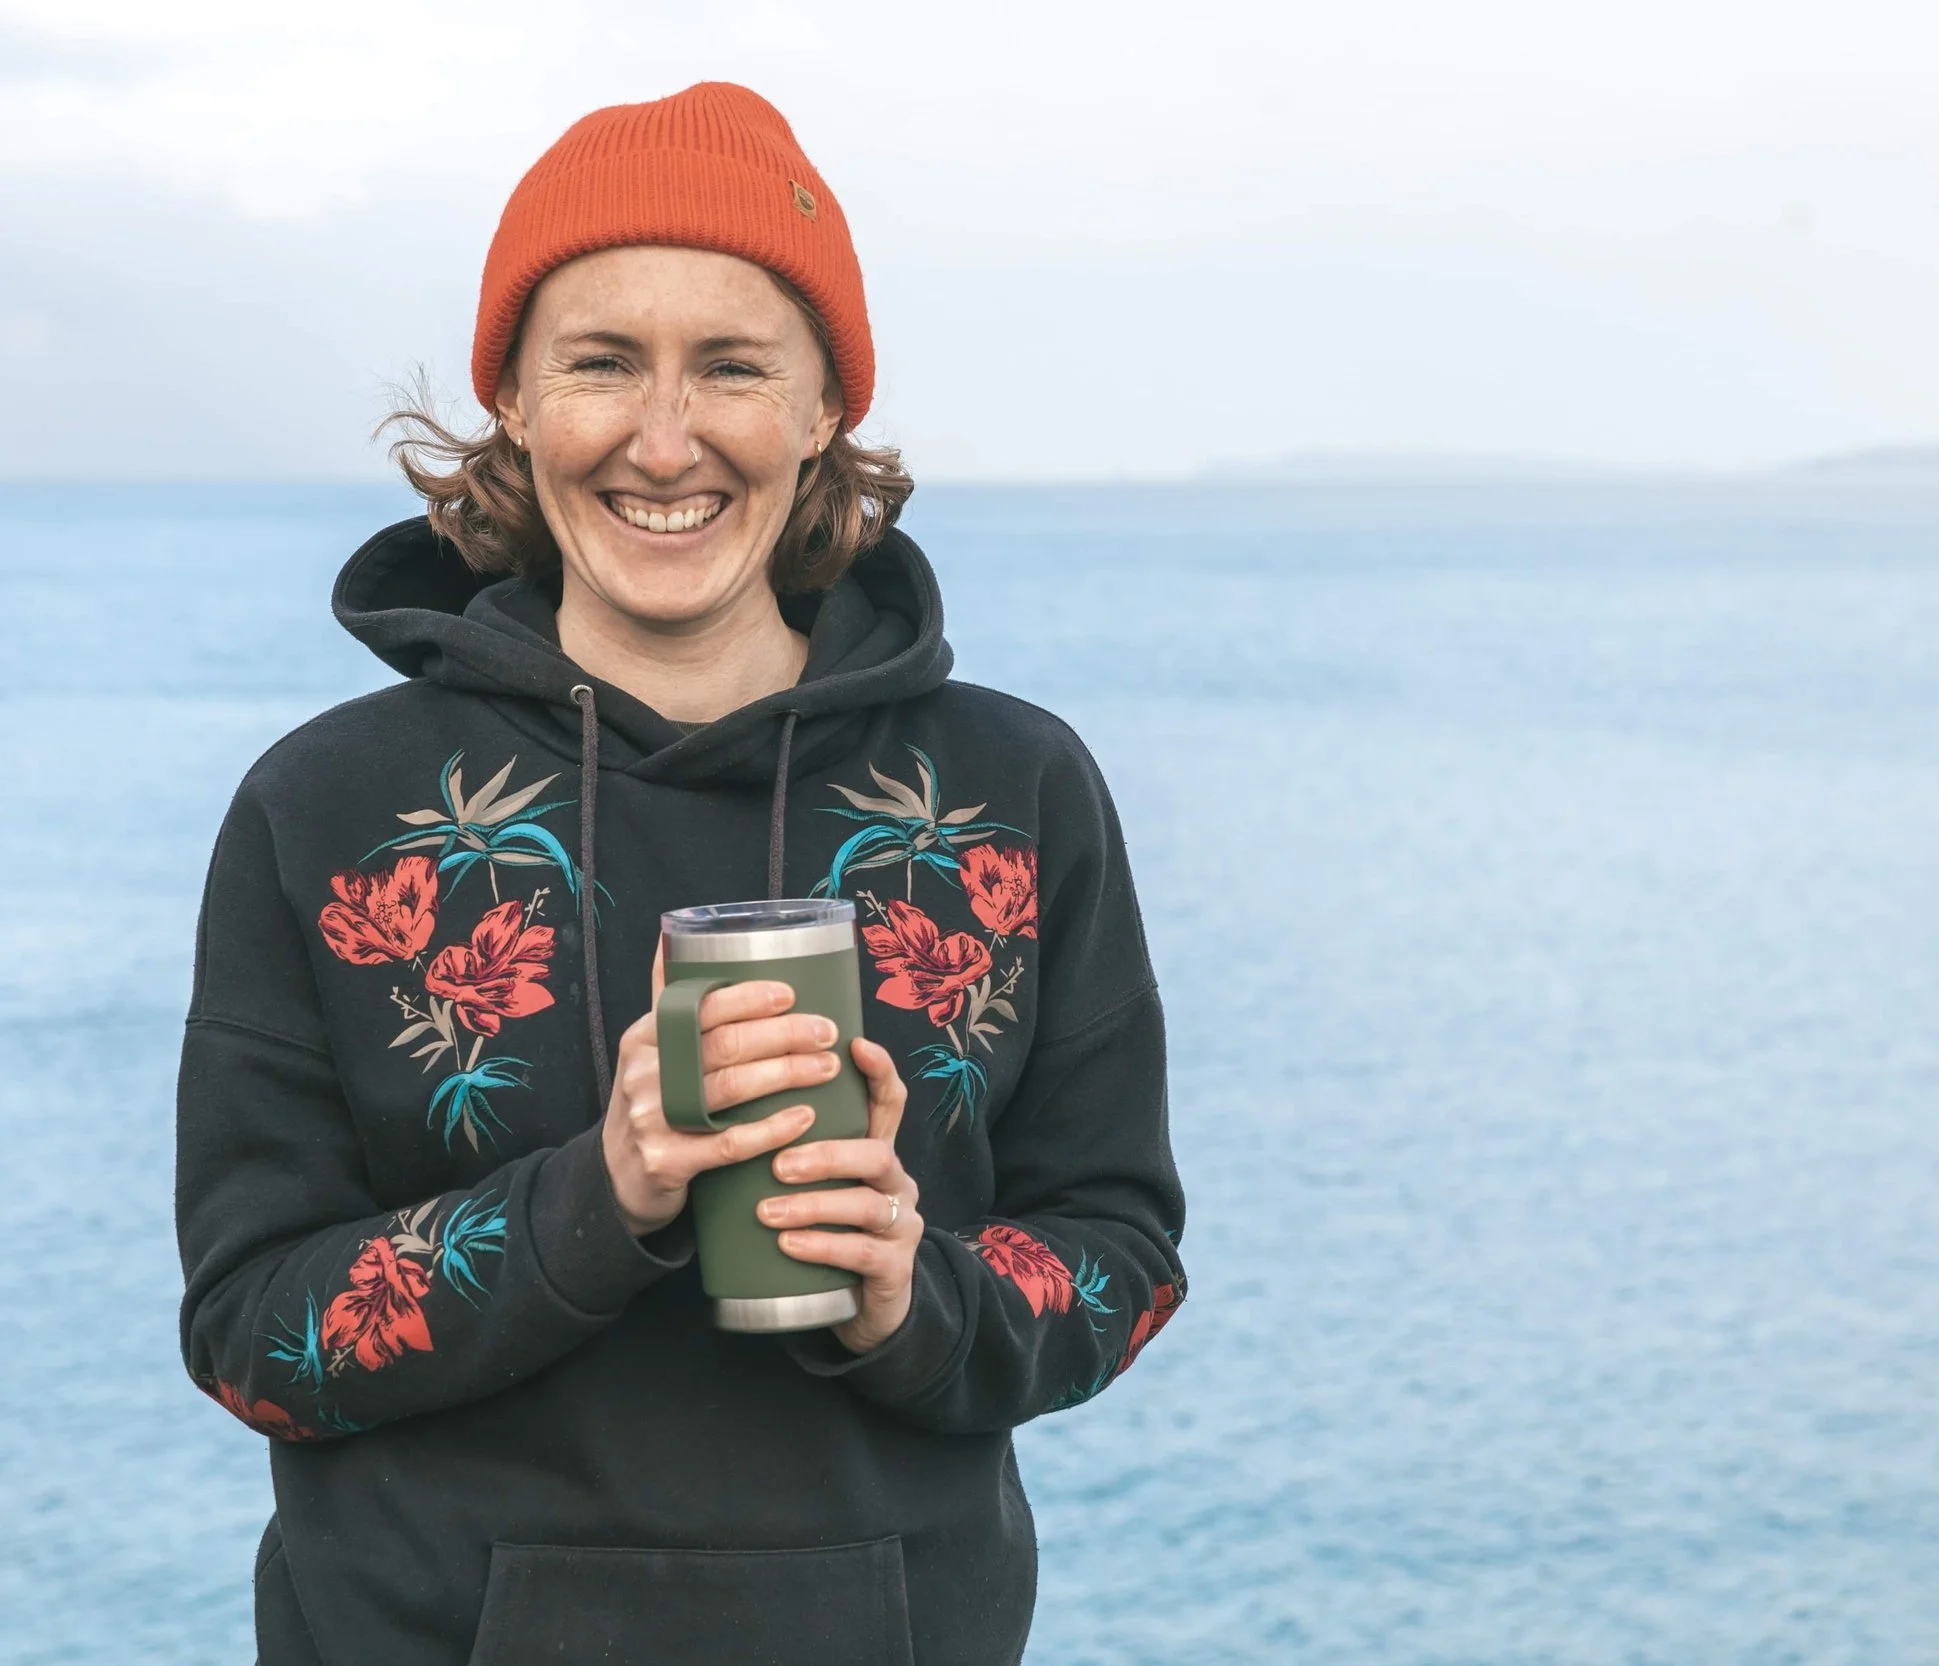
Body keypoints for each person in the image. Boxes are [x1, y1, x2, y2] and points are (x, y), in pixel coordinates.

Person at [174, 81, 1185, 1665]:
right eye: (599, 363)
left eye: (732, 366)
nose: (665, 440)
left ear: (824, 406)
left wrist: (913, 1293)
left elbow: (1121, 1261)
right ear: (511, 393)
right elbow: (253, 1339)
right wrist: (606, 1189)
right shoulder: (326, 808)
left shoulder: (1010, 791)